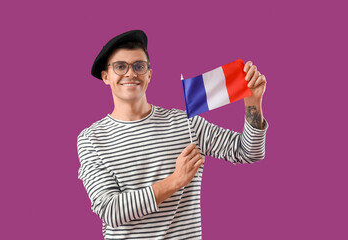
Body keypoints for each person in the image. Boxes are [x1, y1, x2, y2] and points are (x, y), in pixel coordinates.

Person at [77, 30, 268, 240]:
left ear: (149, 74)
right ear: (106, 76)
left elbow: (248, 152)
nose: (131, 74)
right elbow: (111, 211)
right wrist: (176, 180)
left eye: (139, 66)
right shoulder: (91, 139)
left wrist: (253, 103)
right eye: (120, 66)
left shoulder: (186, 123)